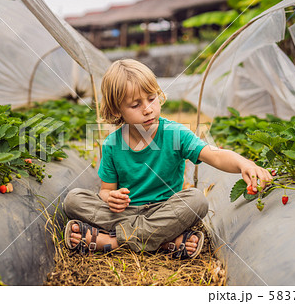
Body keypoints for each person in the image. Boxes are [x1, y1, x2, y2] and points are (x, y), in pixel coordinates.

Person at [63, 59, 272, 259]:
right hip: (127, 213)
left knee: (196, 201)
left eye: (152, 98)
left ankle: (115, 240)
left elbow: (215, 155)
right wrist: (111, 198)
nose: (147, 109)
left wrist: (244, 163)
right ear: (118, 110)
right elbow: (106, 190)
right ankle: (163, 241)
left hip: (163, 210)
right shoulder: (111, 145)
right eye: (135, 105)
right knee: (73, 200)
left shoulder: (174, 134)